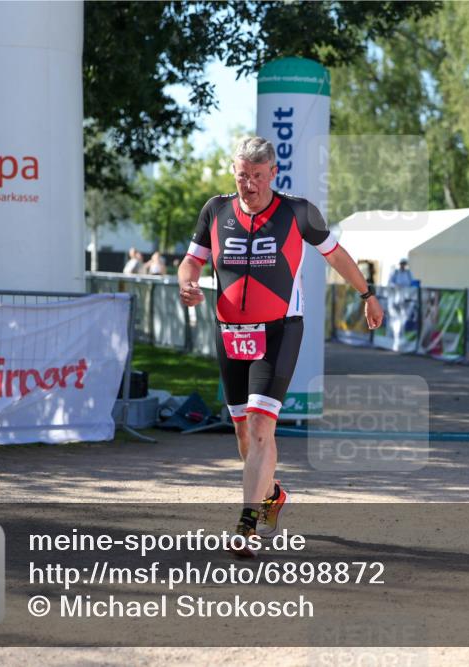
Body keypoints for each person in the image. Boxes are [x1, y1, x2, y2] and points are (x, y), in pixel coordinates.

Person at [177, 136, 384, 556]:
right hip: (231, 332)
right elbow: (192, 260)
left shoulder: (297, 212)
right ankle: (271, 493)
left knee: (260, 427)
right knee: (243, 434)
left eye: (257, 175)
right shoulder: (215, 210)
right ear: (233, 172)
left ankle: (246, 526)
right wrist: (187, 282)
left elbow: (335, 254)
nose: (249, 184)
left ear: (273, 173)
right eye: (242, 176)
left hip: (279, 330)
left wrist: (367, 294)